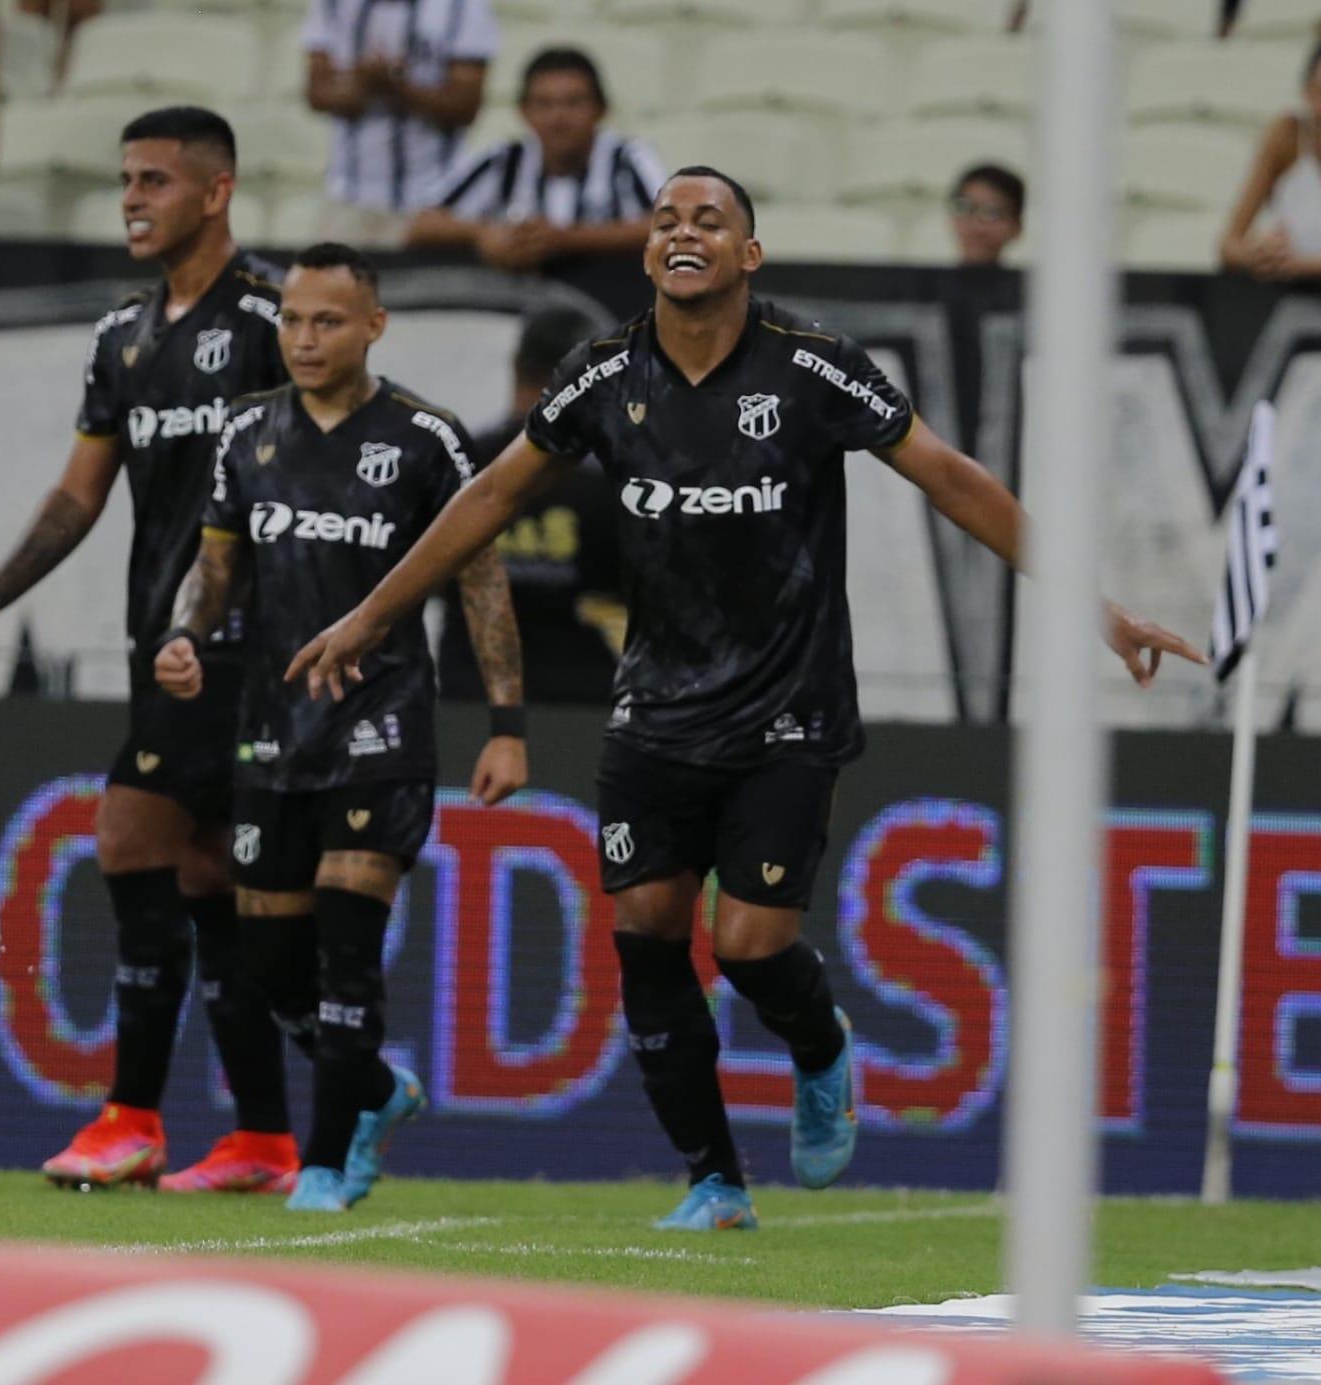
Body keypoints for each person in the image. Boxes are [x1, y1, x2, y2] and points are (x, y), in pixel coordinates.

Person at [287, 166, 1207, 1229]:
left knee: (750, 945)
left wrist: (1097, 606)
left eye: (709, 219)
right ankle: (715, 1179)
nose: (686, 231)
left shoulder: (813, 367)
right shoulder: (599, 377)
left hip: (788, 708)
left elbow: (951, 475)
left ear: (747, 255)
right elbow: (490, 493)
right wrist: (372, 615)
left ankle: (820, 1047)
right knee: (646, 926)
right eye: (669, 220)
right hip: (656, 708)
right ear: (647, 255)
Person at [0, 107, 298, 1195]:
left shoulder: (280, 318)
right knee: (205, 875)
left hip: (242, 641)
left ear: (217, 191)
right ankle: (265, 1137)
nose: (134, 198)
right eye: (125, 180)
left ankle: (134, 1116)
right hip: (166, 644)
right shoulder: (124, 335)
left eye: (156, 180)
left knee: (129, 837)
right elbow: (81, 492)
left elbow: (310, 477)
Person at [155, 242, 527, 1213]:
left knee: (348, 945)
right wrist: (188, 634)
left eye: (327, 321)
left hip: (382, 724)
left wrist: (505, 722)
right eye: (291, 319)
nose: (305, 338)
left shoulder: (425, 438)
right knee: (272, 958)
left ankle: (324, 1161)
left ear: (374, 326)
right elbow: (219, 566)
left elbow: (482, 579)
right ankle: (371, 1085)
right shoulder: (246, 433)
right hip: (273, 728)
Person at [437, 303, 626, 704]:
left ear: (517, 367)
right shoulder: (612, 481)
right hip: (580, 704)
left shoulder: (460, 462)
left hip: (471, 698)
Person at [407, 47, 666, 271]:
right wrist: (483, 235)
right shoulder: (503, 160)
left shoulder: (627, 157)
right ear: (523, 111)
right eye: (544, 104)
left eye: (573, 103)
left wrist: (568, 240)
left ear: (601, 109)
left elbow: (669, 226)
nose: (558, 118)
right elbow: (423, 225)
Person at [301, 0, 497, 249]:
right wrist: (364, 84)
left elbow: (464, 107)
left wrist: (395, 87)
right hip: (348, 199)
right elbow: (317, 94)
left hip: (432, 202)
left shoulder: (462, 6)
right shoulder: (334, 4)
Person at [1222, 38, 1321, 280]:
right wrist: (1257, 254)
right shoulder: (1286, 135)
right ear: (1306, 93)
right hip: (1293, 305)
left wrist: (1301, 265)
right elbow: (1229, 244)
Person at [948, 163, 1024, 268]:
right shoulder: (926, 283)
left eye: (992, 213)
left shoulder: (1036, 283)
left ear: (1017, 227)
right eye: (965, 209)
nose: (977, 227)